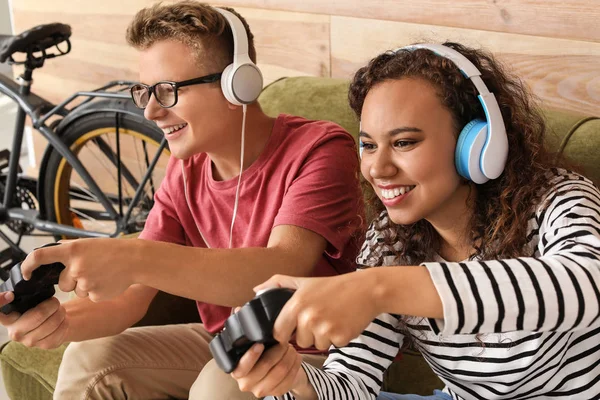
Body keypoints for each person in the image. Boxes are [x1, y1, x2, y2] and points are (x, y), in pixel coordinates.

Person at [0, 2, 364, 399]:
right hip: (231, 346)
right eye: (144, 92)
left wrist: (129, 257)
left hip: (321, 359)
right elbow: (130, 303)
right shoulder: (186, 171)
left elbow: (280, 269)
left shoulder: (321, 148)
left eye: (168, 91)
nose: (151, 111)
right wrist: (60, 322)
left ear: (236, 84)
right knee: (89, 360)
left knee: (217, 386)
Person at [230, 42, 600, 400]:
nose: (378, 168)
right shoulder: (392, 243)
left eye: (404, 142)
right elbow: (351, 384)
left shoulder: (558, 199)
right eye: (369, 145)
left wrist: (379, 288)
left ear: (477, 144)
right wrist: (294, 378)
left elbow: (587, 284)